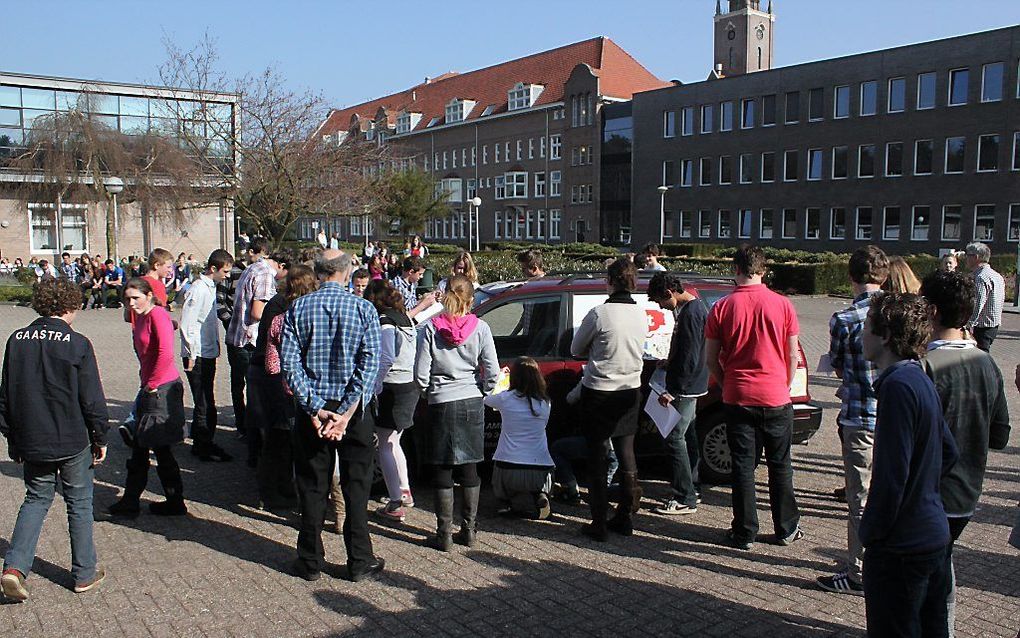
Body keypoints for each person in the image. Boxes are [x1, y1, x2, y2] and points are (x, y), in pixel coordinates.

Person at [0, 279, 109, 602]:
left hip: (32, 437)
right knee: (78, 503)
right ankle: (84, 572)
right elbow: (91, 398)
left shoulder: (16, 340)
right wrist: (99, 435)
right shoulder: (77, 343)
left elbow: (6, 395)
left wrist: (12, 437)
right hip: (71, 437)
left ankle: (15, 567)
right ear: (71, 306)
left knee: (35, 499)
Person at [280, 249, 384, 582]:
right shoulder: (363, 308)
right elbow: (369, 366)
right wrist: (346, 411)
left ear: (321, 271)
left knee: (312, 485)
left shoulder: (298, 306)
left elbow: (290, 364)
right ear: (347, 270)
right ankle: (359, 560)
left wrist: (314, 406)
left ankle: (309, 560)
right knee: (357, 485)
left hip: (316, 410)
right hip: (350, 412)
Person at [859, 292, 958, 638]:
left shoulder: (898, 387)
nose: (861, 335)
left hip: (902, 546)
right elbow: (949, 451)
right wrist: (925, 491)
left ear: (886, 335)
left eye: (867, 328)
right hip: (931, 535)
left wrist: (871, 532)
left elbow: (891, 477)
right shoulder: (918, 376)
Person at [919, 270, 1010, 633]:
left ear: (933, 310)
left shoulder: (925, 368)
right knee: (941, 566)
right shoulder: (987, 363)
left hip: (932, 495)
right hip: (969, 493)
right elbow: (1000, 434)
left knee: (930, 578)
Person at [705, 244, 802, 551]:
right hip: (775, 396)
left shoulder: (721, 307)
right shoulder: (783, 305)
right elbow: (791, 354)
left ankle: (744, 531)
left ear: (735, 270)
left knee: (743, 467)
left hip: (738, 396)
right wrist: (783, 385)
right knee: (780, 465)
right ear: (763, 270)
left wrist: (727, 383)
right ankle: (786, 528)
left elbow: (711, 359)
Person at [816, 245, 889, 595]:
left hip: (860, 416)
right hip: (897, 416)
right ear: (885, 277)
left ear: (850, 277)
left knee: (860, 497)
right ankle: (887, 560)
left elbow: (840, 366)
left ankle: (858, 572)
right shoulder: (903, 312)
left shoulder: (844, 319)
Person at [414, 274, 499, 551]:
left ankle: (444, 534)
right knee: (471, 466)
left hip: (441, 400)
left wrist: (429, 392)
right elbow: (493, 370)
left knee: (442, 467)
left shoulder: (430, 329)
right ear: (471, 299)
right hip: (471, 399)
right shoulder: (482, 328)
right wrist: (483, 390)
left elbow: (420, 373)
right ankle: (470, 529)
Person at [571, 258, 647, 541]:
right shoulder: (641, 314)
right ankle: (626, 515)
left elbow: (576, 348)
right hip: (629, 389)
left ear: (611, 281)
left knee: (598, 457)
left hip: (599, 390)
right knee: (627, 453)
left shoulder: (600, 313)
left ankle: (599, 522)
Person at [109, 278, 187, 518]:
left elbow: (165, 352)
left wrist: (151, 384)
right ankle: (149, 500)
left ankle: (157, 502)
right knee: (144, 446)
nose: (131, 303)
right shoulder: (142, 316)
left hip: (160, 389)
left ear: (149, 295)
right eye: (127, 299)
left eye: (136, 298)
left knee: (151, 447)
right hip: (150, 386)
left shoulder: (156, 315)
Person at [254, 263, 315, 512]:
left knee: (283, 440)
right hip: (280, 384)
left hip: (281, 381)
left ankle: (283, 488)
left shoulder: (285, 307)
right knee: (278, 439)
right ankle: (273, 492)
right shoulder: (282, 309)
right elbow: (272, 356)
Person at [647, 273, 708, 516]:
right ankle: (692, 486)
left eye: (660, 301)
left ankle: (685, 497)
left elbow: (690, 356)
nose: (660, 307)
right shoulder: (690, 309)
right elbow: (684, 350)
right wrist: (668, 361)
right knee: (688, 435)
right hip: (692, 384)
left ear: (669, 293)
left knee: (674, 438)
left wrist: (672, 391)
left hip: (685, 386)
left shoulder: (691, 314)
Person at [363, 280, 418, 522]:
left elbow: (386, 356)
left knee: (384, 443)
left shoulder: (385, 322)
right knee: (395, 441)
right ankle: (404, 490)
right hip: (409, 384)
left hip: (392, 386)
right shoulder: (404, 318)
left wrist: (374, 385)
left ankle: (395, 501)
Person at [226, 237, 281, 464]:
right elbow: (259, 312)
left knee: (240, 388)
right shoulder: (266, 274)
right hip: (250, 339)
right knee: (256, 396)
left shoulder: (251, 268)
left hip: (236, 337)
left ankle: (244, 431)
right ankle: (254, 445)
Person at [180, 249, 236, 463]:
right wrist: (192, 353)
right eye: (225, 271)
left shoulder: (210, 288)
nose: (227, 276)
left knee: (207, 399)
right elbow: (188, 323)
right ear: (213, 268)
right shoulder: (199, 289)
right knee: (204, 401)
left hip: (207, 351)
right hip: (198, 354)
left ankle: (204, 439)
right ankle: (202, 445)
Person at [485, 357, 555, 520]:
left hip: (508, 467)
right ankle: (540, 494)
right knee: (540, 483)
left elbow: (486, 398)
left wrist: (499, 378)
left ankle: (505, 502)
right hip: (541, 470)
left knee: (502, 487)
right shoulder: (545, 402)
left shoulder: (505, 398)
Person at [964, 242, 1004, 352]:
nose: (966, 258)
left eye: (968, 255)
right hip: (993, 325)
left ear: (976, 257)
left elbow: (978, 303)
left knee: (980, 355)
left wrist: (969, 323)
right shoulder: (996, 275)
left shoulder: (981, 278)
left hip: (981, 326)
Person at [392, 256, 436, 320]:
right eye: (420, 274)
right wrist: (423, 304)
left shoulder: (411, 283)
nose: (422, 277)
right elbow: (402, 317)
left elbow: (411, 305)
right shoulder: (397, 287)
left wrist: (426, 298)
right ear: (411, 272)